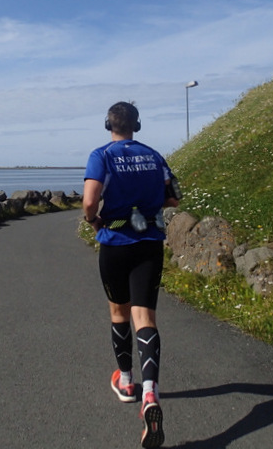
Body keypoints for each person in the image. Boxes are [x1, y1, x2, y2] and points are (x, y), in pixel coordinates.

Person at [83, 101, 180, 449]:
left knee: (119, 312)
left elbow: (90, 202)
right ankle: (150, 394)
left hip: (116, 242)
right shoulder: (155, 156)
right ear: (137, 125)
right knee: (145, 316)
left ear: (108, 123)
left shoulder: (101, 155)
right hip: (150, 242)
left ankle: (126, 382)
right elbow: (174, 199)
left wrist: (93, 220)